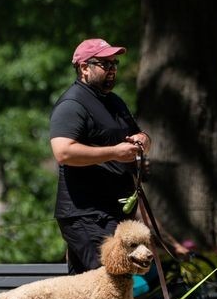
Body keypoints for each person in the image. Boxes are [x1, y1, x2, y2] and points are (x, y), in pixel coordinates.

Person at [50, 37, 187, 274]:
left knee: (91, 287)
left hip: (113, 211)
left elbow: (138, 135)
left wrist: (144, 139)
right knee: (112, 281)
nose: (112, 69)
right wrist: (114, 153)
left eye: (114, 64)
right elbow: (63, 152)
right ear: (84, 67)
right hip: (86, 214)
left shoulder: (114, 102)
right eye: (105, 64)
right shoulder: (72, 104)